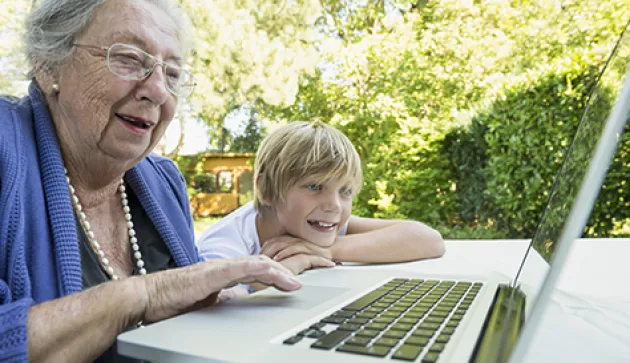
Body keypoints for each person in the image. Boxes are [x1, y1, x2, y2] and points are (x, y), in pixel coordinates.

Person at [0, 1, 302, 362]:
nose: (158, 90)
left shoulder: (163, 181)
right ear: (48, 63)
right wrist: (143, 297)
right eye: (129, 58)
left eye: (172, 74)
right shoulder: (7, 148)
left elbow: (185, 303)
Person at [197, 121, 445, 293]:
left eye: (345, 191)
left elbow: (429, 240)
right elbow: (223, 304)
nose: (334, 205)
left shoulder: (319, 226)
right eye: (315, 187)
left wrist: (327, 250)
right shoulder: (226, 244)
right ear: (267, 190)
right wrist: (286, 268)